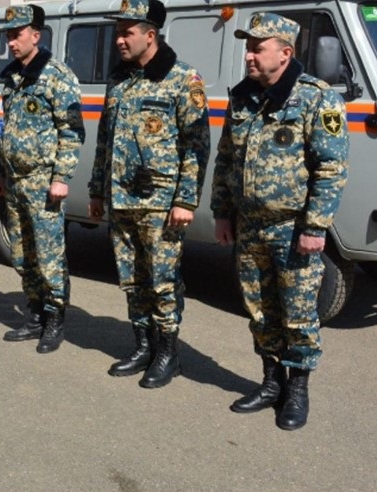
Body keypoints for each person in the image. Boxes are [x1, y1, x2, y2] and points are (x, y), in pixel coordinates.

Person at [211, 12, 348, 430]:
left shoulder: (316, 98)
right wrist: (222, 212)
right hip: (250, 227)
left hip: (292, 230)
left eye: (258, 48)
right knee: (259, 310)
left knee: (298, 313)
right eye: (248, 48)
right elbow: (226, 159)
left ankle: (298, 391)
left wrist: (315, 226)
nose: (249, 56)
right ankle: (271, 383)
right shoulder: (242, 97)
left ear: (285, 53)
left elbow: (331, 168)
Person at [87, 0, 210, 389]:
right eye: (118, 32)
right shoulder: (119, 79)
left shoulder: (183, 79)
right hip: (121, 199)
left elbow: (196, 146)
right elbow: (104, 140)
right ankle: (143, 346)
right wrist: (97, 191)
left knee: (162, 281)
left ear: (150, 35)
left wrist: (185, 200)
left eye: (127, 32)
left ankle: (168, 354)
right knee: (131, 278)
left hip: (160, 203)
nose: (119, 40)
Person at [0, 4, 85, 353]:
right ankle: (34, 314)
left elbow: (71, 131)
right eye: (8, 36)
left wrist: (61, 177)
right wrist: (2, 174)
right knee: (22, 254)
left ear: (36, 35)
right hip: (16, 182)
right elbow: (8, 132)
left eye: (17, 35)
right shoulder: (12, 78)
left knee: (49, 255)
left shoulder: (57, 75)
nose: (11, 42)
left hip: (43, 182)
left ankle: (54, 319)